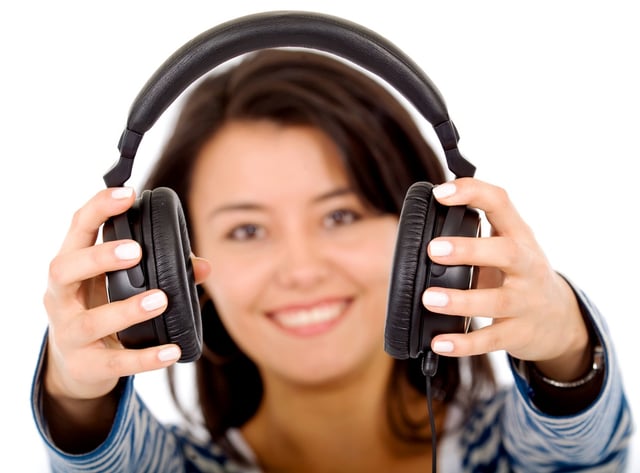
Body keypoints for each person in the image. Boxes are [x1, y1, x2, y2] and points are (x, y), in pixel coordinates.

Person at [31, 48, 633, 472]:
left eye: (340, 216)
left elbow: (579, 452)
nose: (301, 269)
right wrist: (78, 391)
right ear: (178, 269)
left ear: (424, 238)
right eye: (246, 229)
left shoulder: (507, 453)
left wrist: (563, 347)